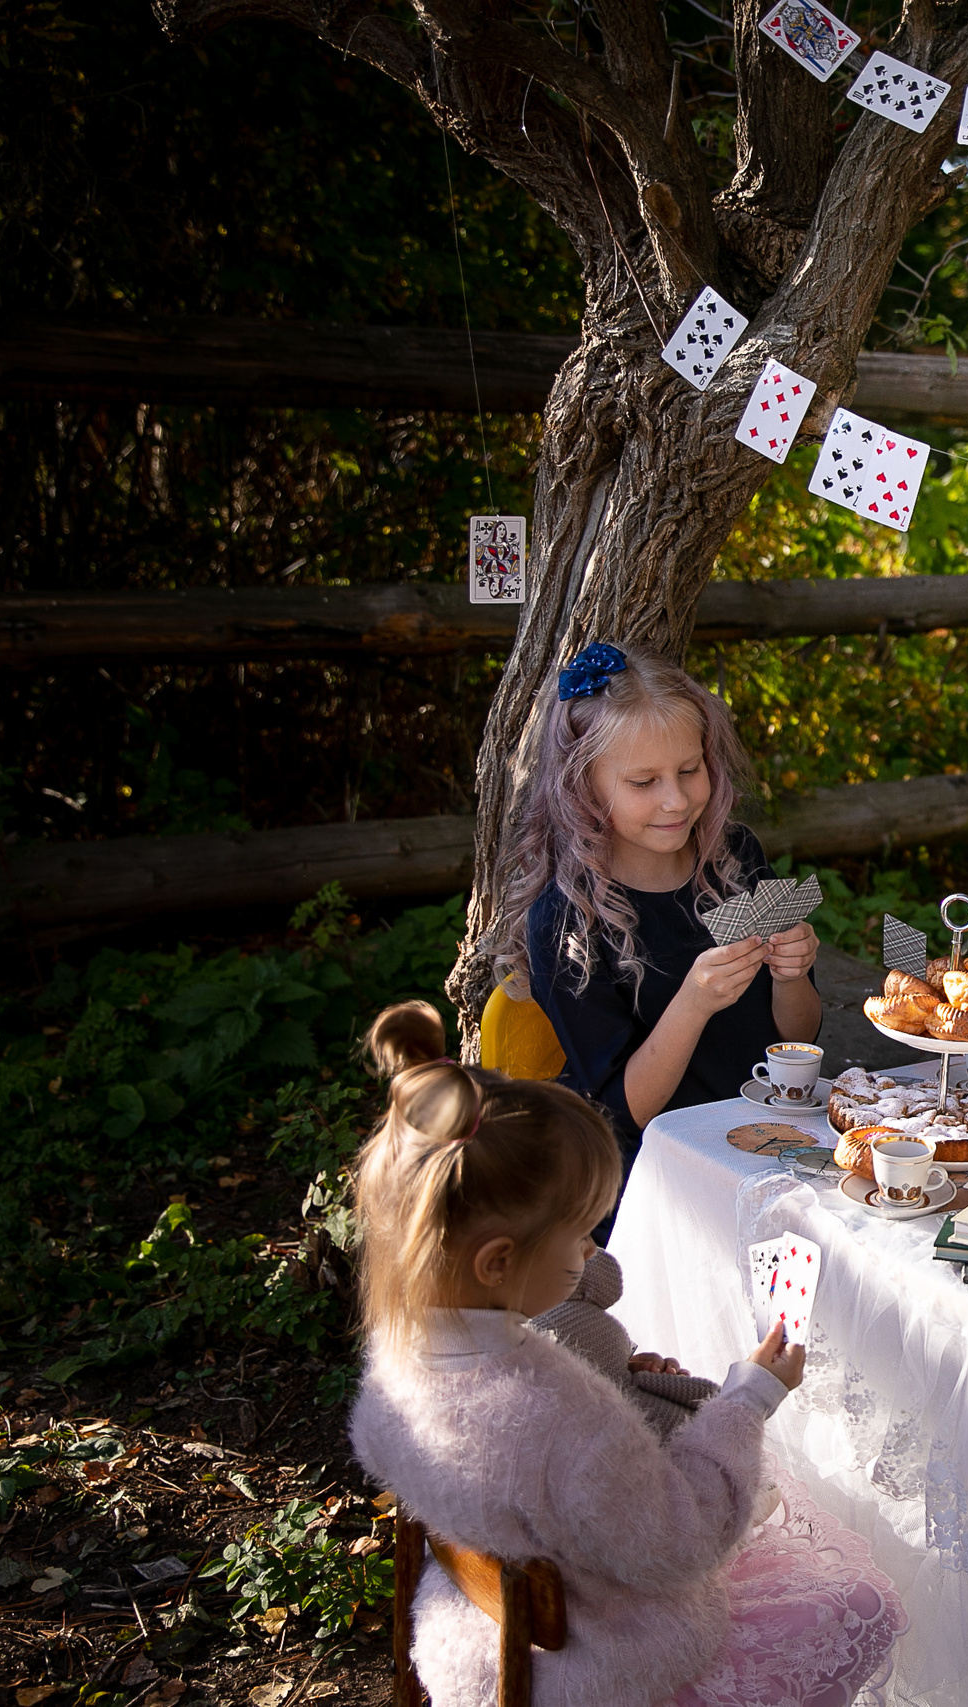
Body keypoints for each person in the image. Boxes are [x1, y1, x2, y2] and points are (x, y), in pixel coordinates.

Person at [347, 1000, 903, 1707]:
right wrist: (748, 1397)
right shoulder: (554, 1409)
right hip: (593, 1667)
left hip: (467, 1642)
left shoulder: (398, 1356)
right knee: (861, 1606)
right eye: (579, 1234)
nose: (591, 1252)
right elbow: (681, 1541)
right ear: (496, 1261)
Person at [502, 643, 820, 1172]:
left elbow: (799, 1039)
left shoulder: (734, 860)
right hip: (657, 1176)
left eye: (690, 770)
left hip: (770, 1139)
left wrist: (792, 975)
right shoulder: (568, 919)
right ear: (581, 786)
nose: (675, 800)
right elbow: (625, 1113)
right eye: (644, 782)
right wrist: (693, 1003)